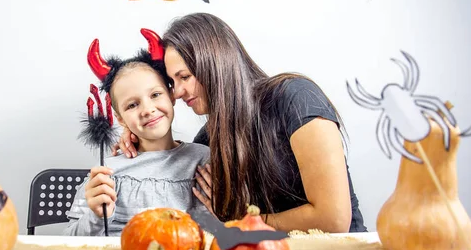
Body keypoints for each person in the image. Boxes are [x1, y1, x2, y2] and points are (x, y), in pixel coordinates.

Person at [113, 13, 367, 233]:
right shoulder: (207, 141)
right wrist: (139, 140)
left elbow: (333, 219)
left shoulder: (295, 98)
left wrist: (240, 222)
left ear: (215, 63)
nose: (177, 92)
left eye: (185, 77)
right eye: (172, 82)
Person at [64, 29, 210, 236]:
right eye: (132, 105)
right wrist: (96, 216)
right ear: (121, 118)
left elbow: (212, 234)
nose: (147, 109)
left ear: (172, 95)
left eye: (156, 95)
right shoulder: (106, 174)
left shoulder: (203, 160)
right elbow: (69, 240)